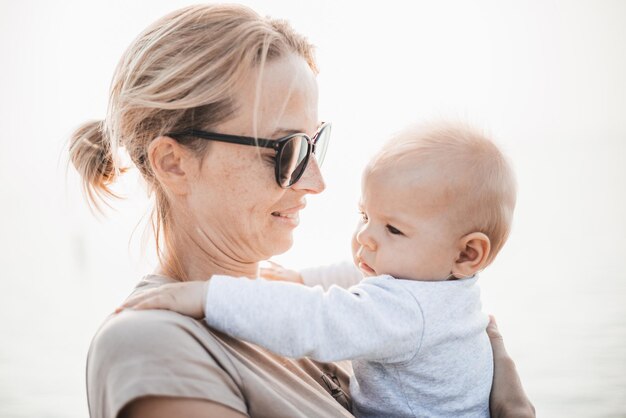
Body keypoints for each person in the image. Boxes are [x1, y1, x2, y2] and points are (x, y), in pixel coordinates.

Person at [70, 4, 535, 418]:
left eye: (315, 145)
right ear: (174, 163)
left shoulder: (310, 314)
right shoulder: (151, 345)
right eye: (287, 149)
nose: (316, 182)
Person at [120, 122, 516, 417]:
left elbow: (317, 319)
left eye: (393, 229)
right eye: (364, 216)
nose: (366, 238)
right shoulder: (443, 287)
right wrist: (304, 278)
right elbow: (356, 273)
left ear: (468, 254)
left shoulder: (406, 310)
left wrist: (208, 295)